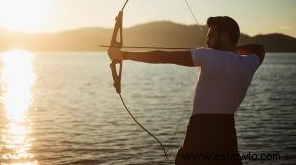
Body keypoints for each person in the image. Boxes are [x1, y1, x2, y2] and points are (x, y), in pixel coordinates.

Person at [108, 16, 265, 164]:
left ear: (224, 37)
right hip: (227, 134)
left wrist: (123, 55)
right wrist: (231, 50)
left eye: (211, 36)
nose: (207, 41)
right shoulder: (249, 64)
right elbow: (259, 49)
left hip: (200, 132)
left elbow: (163, 57)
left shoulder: (208, 56)